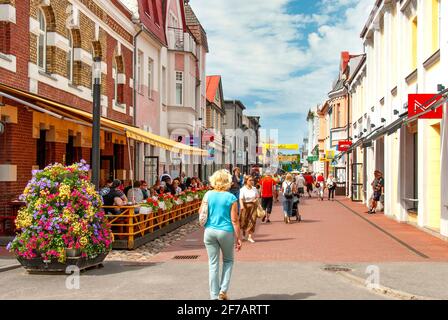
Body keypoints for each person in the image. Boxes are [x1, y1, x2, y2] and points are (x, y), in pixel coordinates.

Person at [201, 169, 242, 300]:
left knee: (213, 264)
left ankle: (213, 296)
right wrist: (238, 238)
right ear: (228, 182)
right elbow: (234, 220)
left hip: (209, 231)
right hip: (225, 231)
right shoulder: (231, 197)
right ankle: (222, 291)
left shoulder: (208, 194)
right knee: (228, 261)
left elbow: (201, 212)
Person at [239, 175, 259, 243]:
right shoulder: (242, 189)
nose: (252, 181)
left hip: (253, 206)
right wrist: (241, 206)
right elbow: (241, 199)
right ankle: (244, 233)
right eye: (250, 180)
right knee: (244, 220)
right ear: (246, 181)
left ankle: (250, 236)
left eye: (252, 180)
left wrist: (255, 200)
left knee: (252, 220)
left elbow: (257, 196)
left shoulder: (254, 188)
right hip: (245, 206)